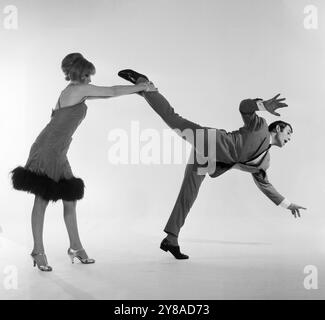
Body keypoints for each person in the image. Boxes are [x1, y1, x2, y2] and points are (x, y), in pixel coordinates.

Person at [118, 69, 307, 260]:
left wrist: (288, 205)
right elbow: (244, 107)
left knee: (188, 195)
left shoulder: (264, 162)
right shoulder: (260, 126)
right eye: (289, 132)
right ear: (279, 128)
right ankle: (144, 84)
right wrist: (262, 105)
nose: (290, 137)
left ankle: (171, 239)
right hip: (209, 140)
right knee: (173, 118)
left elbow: (265, 186)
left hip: (210, 160)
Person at [10, 54, 156, 271]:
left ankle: (75, 247)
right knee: (42, 199)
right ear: (78, 74)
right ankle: (38, 251)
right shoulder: (77, 90)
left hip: (58, 151)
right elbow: (112, 91)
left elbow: (107, 96)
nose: (90, 79)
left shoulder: (79, 91)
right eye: (87, 74)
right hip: (47, 150)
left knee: (70, 197)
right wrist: (141, 87)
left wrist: (139, 89)